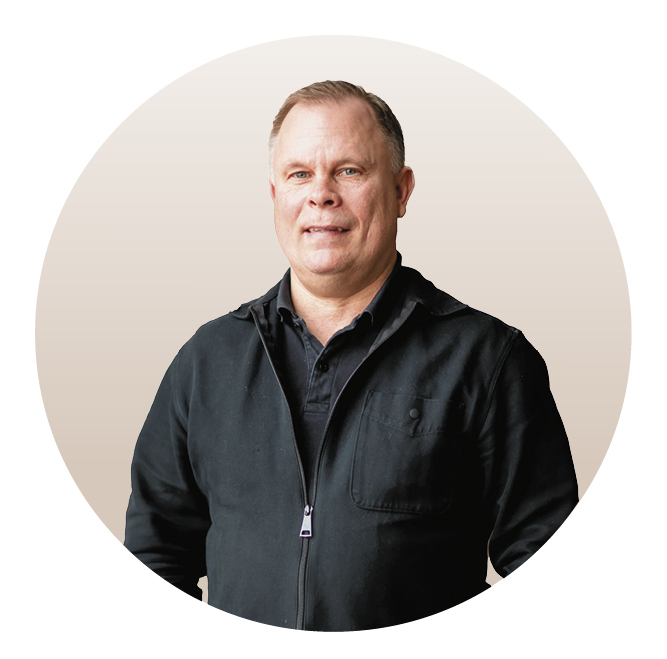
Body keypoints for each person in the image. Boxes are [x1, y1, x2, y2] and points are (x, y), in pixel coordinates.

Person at [124, 80, 578, 631]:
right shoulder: (205, 363)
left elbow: (552, 578)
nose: (321, 194)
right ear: (275, 195)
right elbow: (153, 563)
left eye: (349, 170)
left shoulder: (489, 361)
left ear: (401, 191)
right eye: (299, 174)